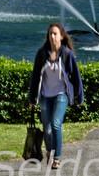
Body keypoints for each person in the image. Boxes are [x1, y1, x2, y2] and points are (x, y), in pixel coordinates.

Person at [26, 23, 85, 166]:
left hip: (61, 95)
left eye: (55, 34)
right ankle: (49, 151)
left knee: (56, 124)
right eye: (50, 34)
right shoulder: (42, 54)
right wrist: (32, 98)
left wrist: (79, 96)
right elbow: (35, 77)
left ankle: (57, 157)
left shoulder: (67, 54)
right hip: (45, 96)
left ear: (62, 36)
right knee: (46, 127)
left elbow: (76, 77)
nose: (52, 36)